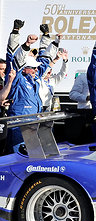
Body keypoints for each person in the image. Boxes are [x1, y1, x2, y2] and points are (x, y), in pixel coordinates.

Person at [5, 21, 59, 153]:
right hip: (20, 124)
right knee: (19, 156)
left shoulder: (33, 78)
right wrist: (25, 42)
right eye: (33, 67)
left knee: (31, 156)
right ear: (24, 69)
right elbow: (14, 59)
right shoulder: (18, 78)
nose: (36, 69)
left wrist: (48, 38)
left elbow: (45, 60)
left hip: (33, 122)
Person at [68, 72, 95, 144]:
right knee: (86, 141)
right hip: (85, 113)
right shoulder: (82, 77)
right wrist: (86, 98)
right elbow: (72, 94)